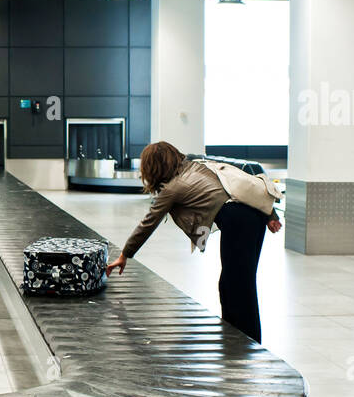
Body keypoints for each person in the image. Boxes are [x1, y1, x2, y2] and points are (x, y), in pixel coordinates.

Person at [104, 141, 282, 343]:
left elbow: (148, 224)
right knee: (237, 283)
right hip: (253, 217)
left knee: (236, 285)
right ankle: (240, 338)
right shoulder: (198, 164)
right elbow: (243, 182)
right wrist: (270, 214)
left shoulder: (173, 189)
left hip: (239, 221)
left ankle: (244, 341)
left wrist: (124, 255)